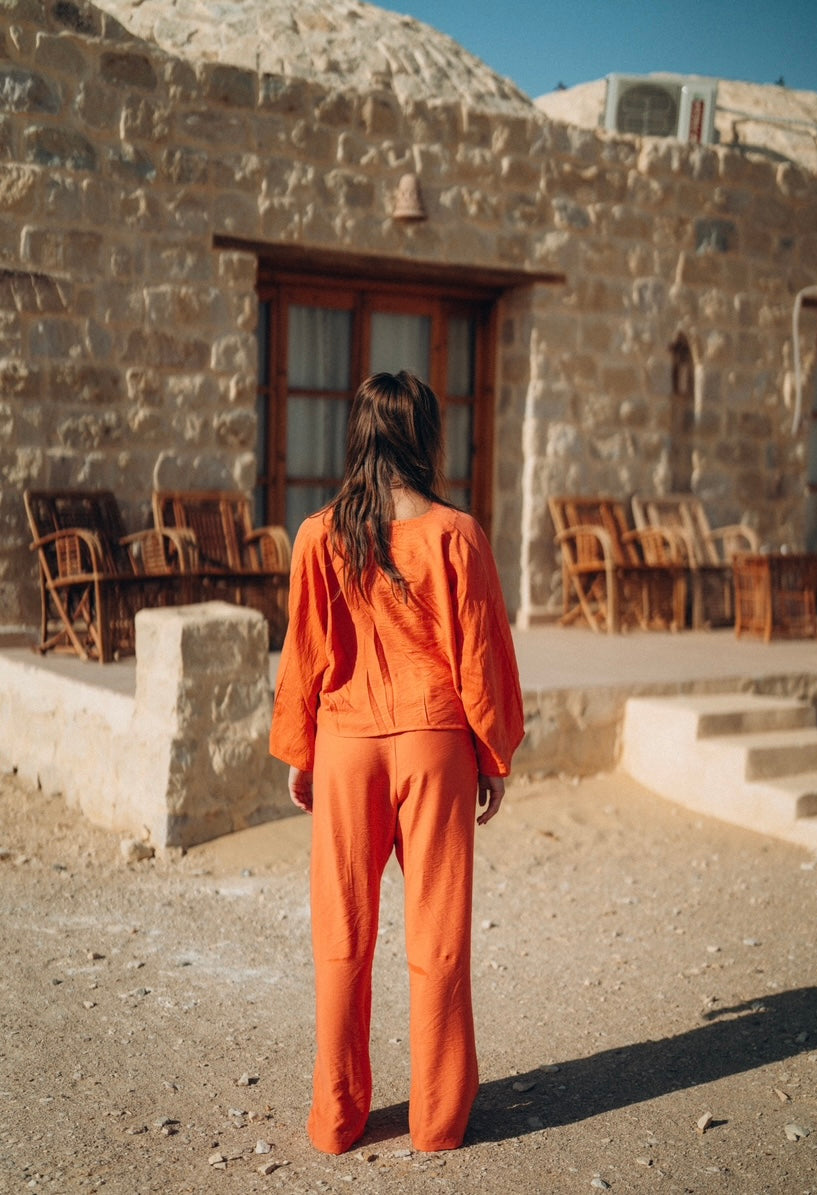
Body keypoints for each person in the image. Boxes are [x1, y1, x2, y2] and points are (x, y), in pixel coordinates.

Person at [269, 370, 524, 1156]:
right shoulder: (457, 533)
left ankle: (337, 1119)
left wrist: (300, 748)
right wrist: (492, 755)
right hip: (434, 745)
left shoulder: (319, 533)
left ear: (360, 434)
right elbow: (480, 658)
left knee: (341, 935)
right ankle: (438, 1120)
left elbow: (303, 652)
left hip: (346, 747)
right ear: (425, 436)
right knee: (437, 935)